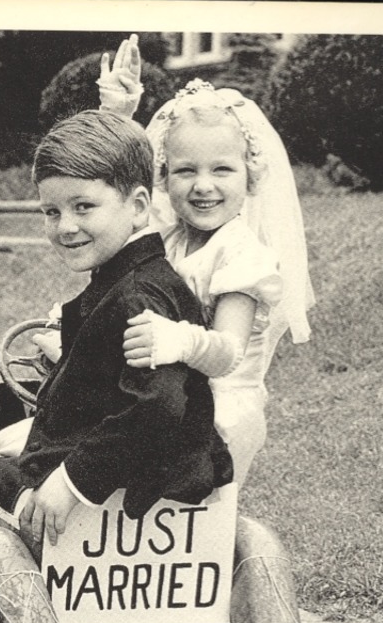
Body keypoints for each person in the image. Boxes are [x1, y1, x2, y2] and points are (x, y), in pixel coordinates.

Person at [0, 110, 234, 623]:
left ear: (141, 206)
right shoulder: (134, 282)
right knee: (4, 450)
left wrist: (74, 481)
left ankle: (16, 619)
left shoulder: (135, 295)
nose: (64, 226)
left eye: (83, 207)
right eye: (52, 211)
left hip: (127, 481)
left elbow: (156, 407)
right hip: (168, 472)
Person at [97, 36, 314, 484]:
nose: (203, 185)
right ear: (163, 176)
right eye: (185, 170)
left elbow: (229, 354)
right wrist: (116, 119)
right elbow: (110, 211)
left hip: (215, 417)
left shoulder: (243, 256)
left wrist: (174, 340)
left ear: (249, 175)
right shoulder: (170, 239)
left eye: (221, 170)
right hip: (160, 401)